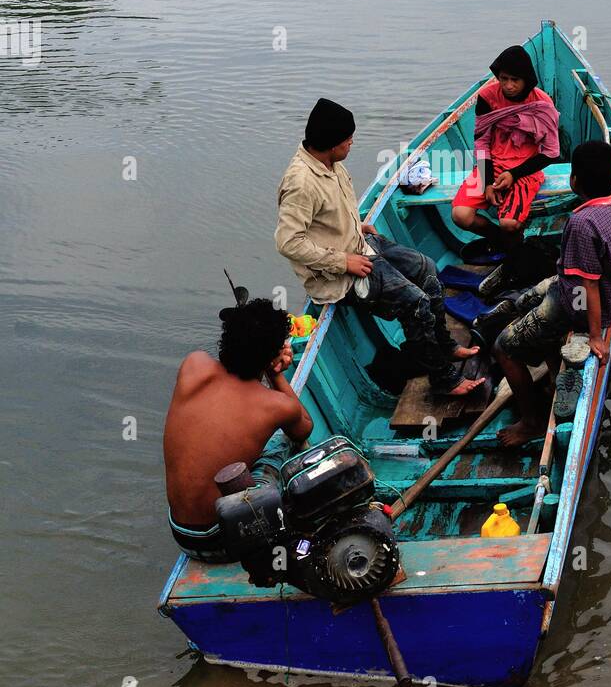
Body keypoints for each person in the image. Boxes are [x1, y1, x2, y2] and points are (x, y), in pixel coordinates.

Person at [275, 97, 484, 398]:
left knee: (427, 267)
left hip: (358, 244)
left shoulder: (329, 163)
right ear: (332, 143)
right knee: (416, 303)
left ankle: (445, 347)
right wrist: (343, 262)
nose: (351, 144)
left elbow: (325, 216)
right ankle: (444, 379)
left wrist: (354, 223)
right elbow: (288, 241)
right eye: (347, 140)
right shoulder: (301, 183)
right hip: (338, 275)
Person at [492, 140, 611, 448]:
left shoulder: (582, 223)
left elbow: (587, 286)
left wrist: (595, 337)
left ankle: (531, 422)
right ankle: (550, 377)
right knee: (524, 301)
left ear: (574, 180)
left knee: (503, 347)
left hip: (576, 306)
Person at [163, 299, 314, 561]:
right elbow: (303, 428)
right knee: (286, 445)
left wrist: (266, 359)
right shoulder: (275, 406)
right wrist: (275, 372)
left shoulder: (193, 365)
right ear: (271, 355)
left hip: (180, 533)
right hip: (222, 540)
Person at [452, 45, 560, 250]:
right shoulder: (487, 97)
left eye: (515, 80)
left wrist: (514, 174)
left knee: (509, 224)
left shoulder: (542, 103)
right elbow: (482, 143)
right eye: (504, 78)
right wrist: (488, 182)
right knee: (461, 216)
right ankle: (499, 240)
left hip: (526, 169)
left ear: (526, 80)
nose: (508, 85)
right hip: (493, 164)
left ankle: (513, 249)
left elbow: (551, 153)